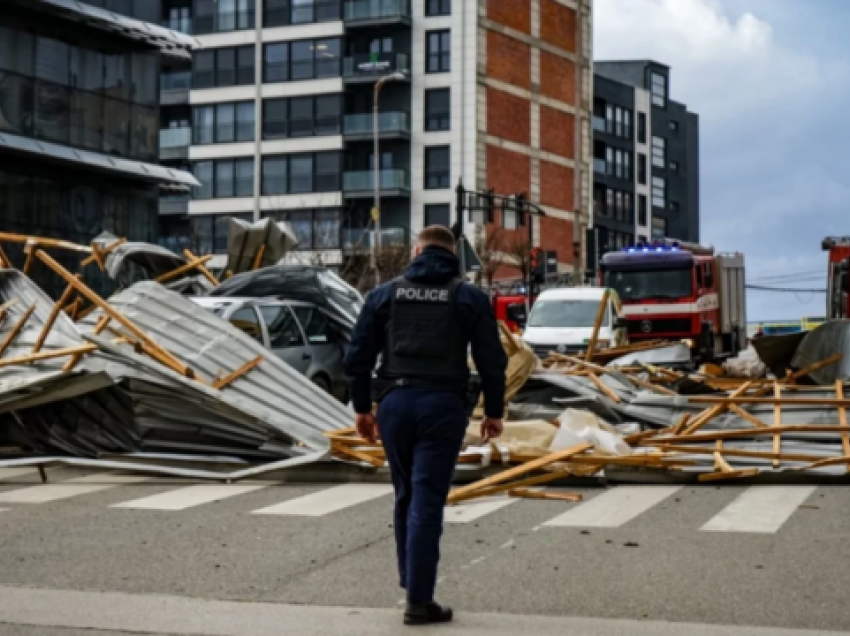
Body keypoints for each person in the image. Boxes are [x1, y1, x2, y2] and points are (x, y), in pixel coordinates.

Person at [344, 225, 508, 626]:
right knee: (428, 498)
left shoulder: (384, 295)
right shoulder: (469, 297)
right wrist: (494, 412)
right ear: (454, 255)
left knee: (404, 494)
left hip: (396, 404)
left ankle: (410, 582)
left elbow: (357, 356)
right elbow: (492, 361)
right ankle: (419, 599)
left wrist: (363, 408)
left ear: (416, 251)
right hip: (443, 406)